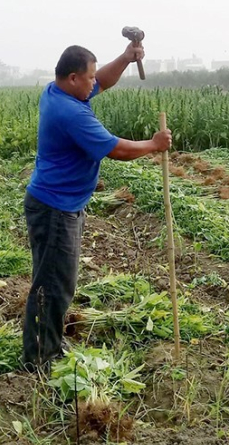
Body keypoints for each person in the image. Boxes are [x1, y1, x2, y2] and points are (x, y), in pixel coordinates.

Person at [22, 43, 172, 371]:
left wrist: (126, 58)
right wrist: (154, 144)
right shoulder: (70, 112)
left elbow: (104, 79)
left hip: (57, 204)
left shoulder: (60, 91)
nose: (95, 84)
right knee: (54, 283)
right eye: (89, 78)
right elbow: (115, 149)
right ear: (73, 78)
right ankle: (40, 357)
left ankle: (47, 343)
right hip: (55, 209)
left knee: (53, 280)